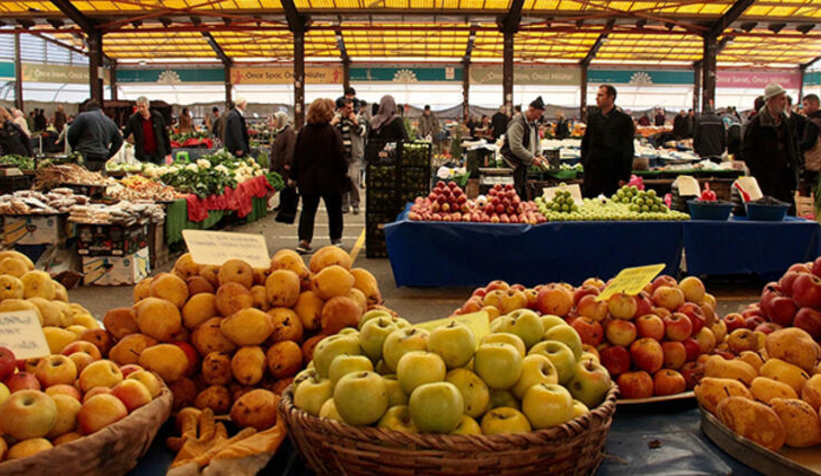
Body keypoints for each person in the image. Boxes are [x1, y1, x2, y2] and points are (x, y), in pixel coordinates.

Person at [292, 98, 347, 254]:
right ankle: (336, 239)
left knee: (308, 210)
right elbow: (340, 155)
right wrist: (344, 172)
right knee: (334, 210)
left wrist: (293, 176)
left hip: (308, 179)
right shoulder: (332, 132)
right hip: (330, 179)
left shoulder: (304, 132)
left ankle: (304, 241)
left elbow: (296, 155)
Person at [742, 83, 800, 213]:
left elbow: (794, 144)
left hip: (785, 176)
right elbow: (747, 150)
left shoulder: (787, 121)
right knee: (766, 212)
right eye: (781, 99)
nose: (784, 102)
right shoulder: (757, 123)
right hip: (765, 178)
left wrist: (796, 163)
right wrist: (758, 169)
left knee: (789, 211)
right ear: (770, 101)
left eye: (785, 99)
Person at [581, 85, 635, 198]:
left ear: (611, 98)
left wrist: (625, 176)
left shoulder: (624, 120)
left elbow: (628, 149)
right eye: (597, 95)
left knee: (612, 203)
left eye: (600, 95)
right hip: (592, 172)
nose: (597, 98)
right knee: (589, 202)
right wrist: (585, 163)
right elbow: (586, 143)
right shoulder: (593, 118)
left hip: (612, 172)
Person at [501, 96, 547, 198]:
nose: (539, 117)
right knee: (514, 193)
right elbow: (516, 147)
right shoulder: (518, 123)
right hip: (513, 164)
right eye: (538, 114)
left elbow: (536, 139)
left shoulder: (533, 122)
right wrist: (532, 159)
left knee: (522, 190)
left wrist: (538, 154)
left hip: (523, 163)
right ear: (531, 109)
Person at [67, 100, 122, 172]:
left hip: (85, 157)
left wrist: (75, 149)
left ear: (86, 109)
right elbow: (119, 140)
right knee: (99, 179)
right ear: (101, 110)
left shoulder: (82, 117)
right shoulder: (109, 121)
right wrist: (108, 154)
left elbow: (71, 134)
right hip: (101, 160)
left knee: (84, 179)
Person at [333, 98, 365, 215]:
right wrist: (333, 123)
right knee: (342, 180)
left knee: (353, 179)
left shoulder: (358, 118)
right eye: (347, 108)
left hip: (354, 155)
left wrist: (355, 122)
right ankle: (344, 204)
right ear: (341, 109)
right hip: (340, 156)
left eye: (351, 107)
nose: (350, 110)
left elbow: (362, 132)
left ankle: (355, 204)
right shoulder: (337, 120)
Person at [123, 96, 171, 165]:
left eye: (143, 106)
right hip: (143, 154)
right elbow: (126, 132)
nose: (141, 109)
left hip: (158, 152)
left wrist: (168, 151)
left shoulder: (157, 116)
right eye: (138, 107)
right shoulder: (133, 119)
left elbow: (164, 133)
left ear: (148, 106)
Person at [800, 94, 821, 196]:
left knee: (808, 192)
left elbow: (808, 143)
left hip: (813, 162)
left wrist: (795, 145)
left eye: (805, 104)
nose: (803, 108)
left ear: (814, 104)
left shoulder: (813, 123)